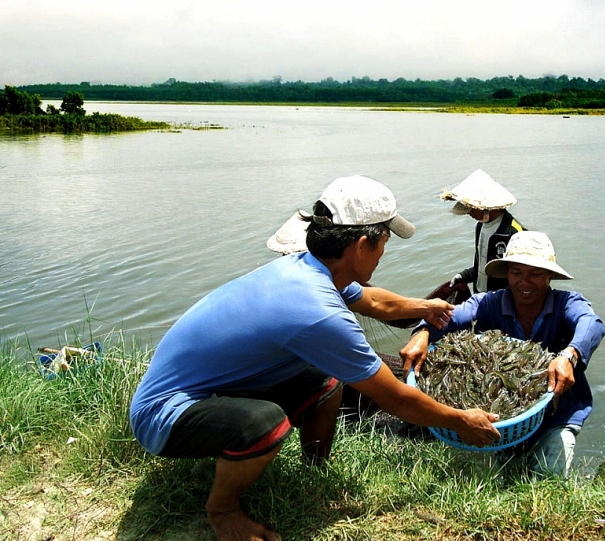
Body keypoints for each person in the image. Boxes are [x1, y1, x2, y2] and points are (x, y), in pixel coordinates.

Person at [129, 174, 500, 541]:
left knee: (327, 381)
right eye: (385, 240)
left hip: (213, 389)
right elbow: (393, 397)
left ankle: (315, 468)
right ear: (360, 245)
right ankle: (222, 510)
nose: (385, 251)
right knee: (266, 423)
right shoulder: (316, 309)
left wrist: (427, 306)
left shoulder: (310, 268)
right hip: (165, 415)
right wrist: (460, 420)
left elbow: (374, 301)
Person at [400, 231, 605, 478]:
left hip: (558, 416)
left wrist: (569, 355)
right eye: (516, 273)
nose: (525, 282)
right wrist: (422, 332)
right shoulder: (487, 303)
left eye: (535, 274)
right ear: (507, 272)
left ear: (550, 275)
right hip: (499, 422)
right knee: (493, 478)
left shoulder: (567, 303)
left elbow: (592, 324)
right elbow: (450, 317)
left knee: (548, 479)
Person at [442, 169, 527, 293]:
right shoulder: (480, 226)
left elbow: (522, 276)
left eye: (471, 209)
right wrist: (464, 276)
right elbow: (481, 263)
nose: (469, 213)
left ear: (486, 206)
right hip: (481, 295)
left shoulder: (514, 233)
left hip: (502, 300)